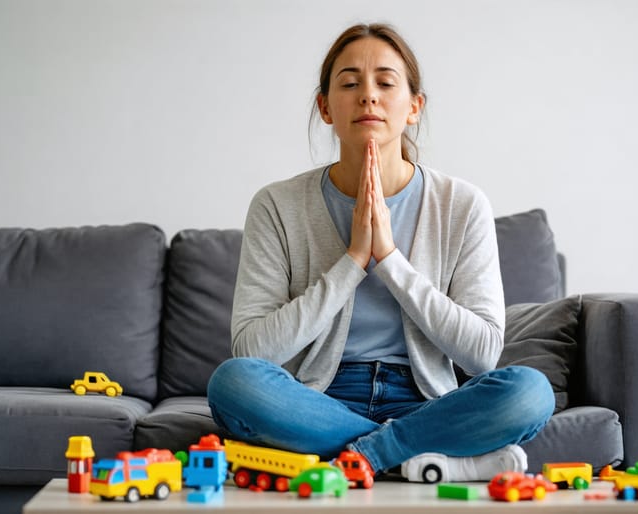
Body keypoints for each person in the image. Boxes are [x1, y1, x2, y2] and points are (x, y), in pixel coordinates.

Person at [207, 22, 554, 483]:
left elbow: (484, 354)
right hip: (317, 399)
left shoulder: (462, 204)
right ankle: (412, 454)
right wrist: (352, 261)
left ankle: (363, 456)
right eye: (349, 83)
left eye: (385, 83)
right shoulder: (276, 205)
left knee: (530, 392)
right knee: (233, 384)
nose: (368, 95)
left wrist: (390, 261)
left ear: (414, 107)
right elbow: (252, 350)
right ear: (326, 107)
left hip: (429, 399)